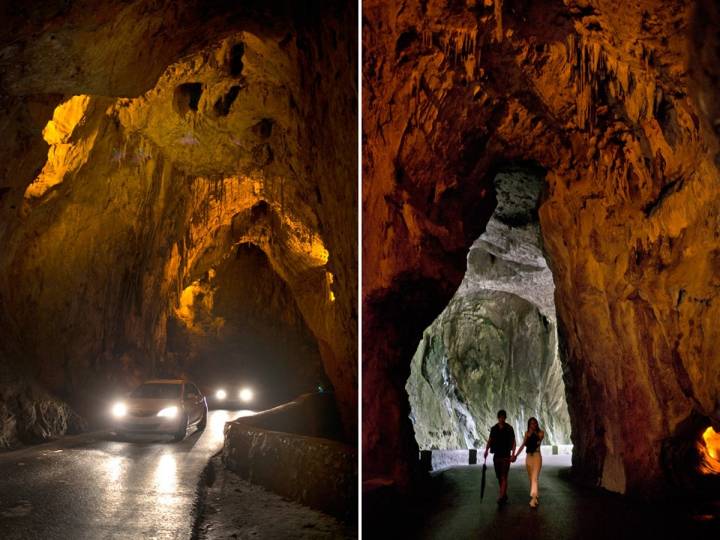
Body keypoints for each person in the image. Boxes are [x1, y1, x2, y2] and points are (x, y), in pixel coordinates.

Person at [484, 409, 516, 504]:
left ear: (505, 418)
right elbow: (490, 441)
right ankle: (504, 494)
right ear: (498, 418)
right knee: (499, 477)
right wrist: (486, 450)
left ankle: (501, 496)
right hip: (496, 456)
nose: (502, 419)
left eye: (503, 417)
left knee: (504, 476)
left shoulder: (509, 428)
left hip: (506, 456)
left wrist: (513, 454)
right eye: (500, 417)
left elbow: (514, 442)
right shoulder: (494, 429)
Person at [513, 417, 544, 508]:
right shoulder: (527, 433)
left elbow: (537, 442)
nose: (533, 425)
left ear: (537, 424)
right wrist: (515, 455)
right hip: (528, 458)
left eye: (534, 423)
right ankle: (535, 496)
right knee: (531, 479)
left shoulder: (541, 433)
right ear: (529, 425)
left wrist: (532, 433)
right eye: (531, 423)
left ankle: (533, 499)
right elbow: (523, 445)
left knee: (534, 478)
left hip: (537, 456)